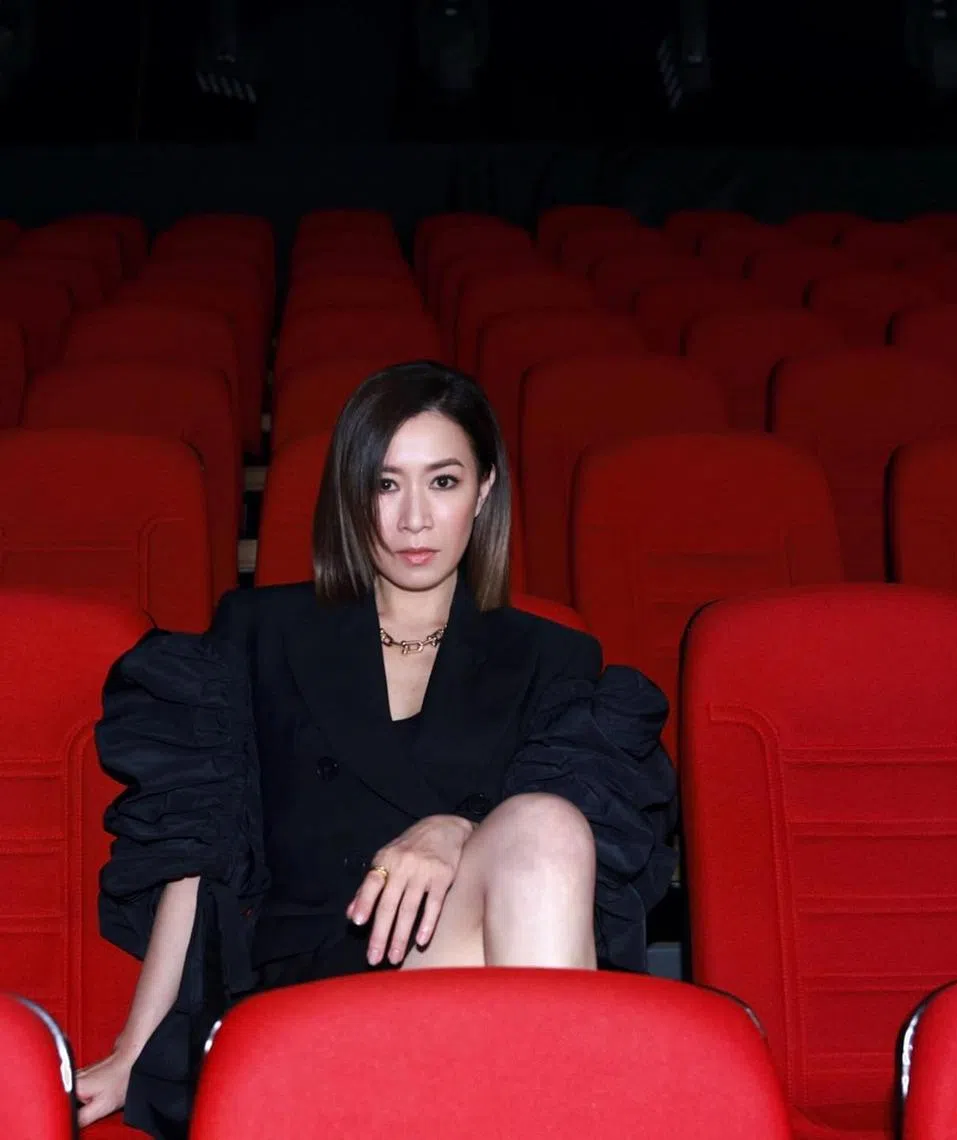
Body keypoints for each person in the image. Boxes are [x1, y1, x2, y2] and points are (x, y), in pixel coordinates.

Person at [77, 361, 677, 1138]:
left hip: (471, 981)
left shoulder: (551, 659)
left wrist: (458, 831)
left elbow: (560, 883)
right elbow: (199, 856)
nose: (414, 519)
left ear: (484, 492)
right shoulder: (261, 633)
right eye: (386, 485)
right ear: (350, 497)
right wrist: (135, 1051)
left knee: (548, 827)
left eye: (443, 481)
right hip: (306, 998)